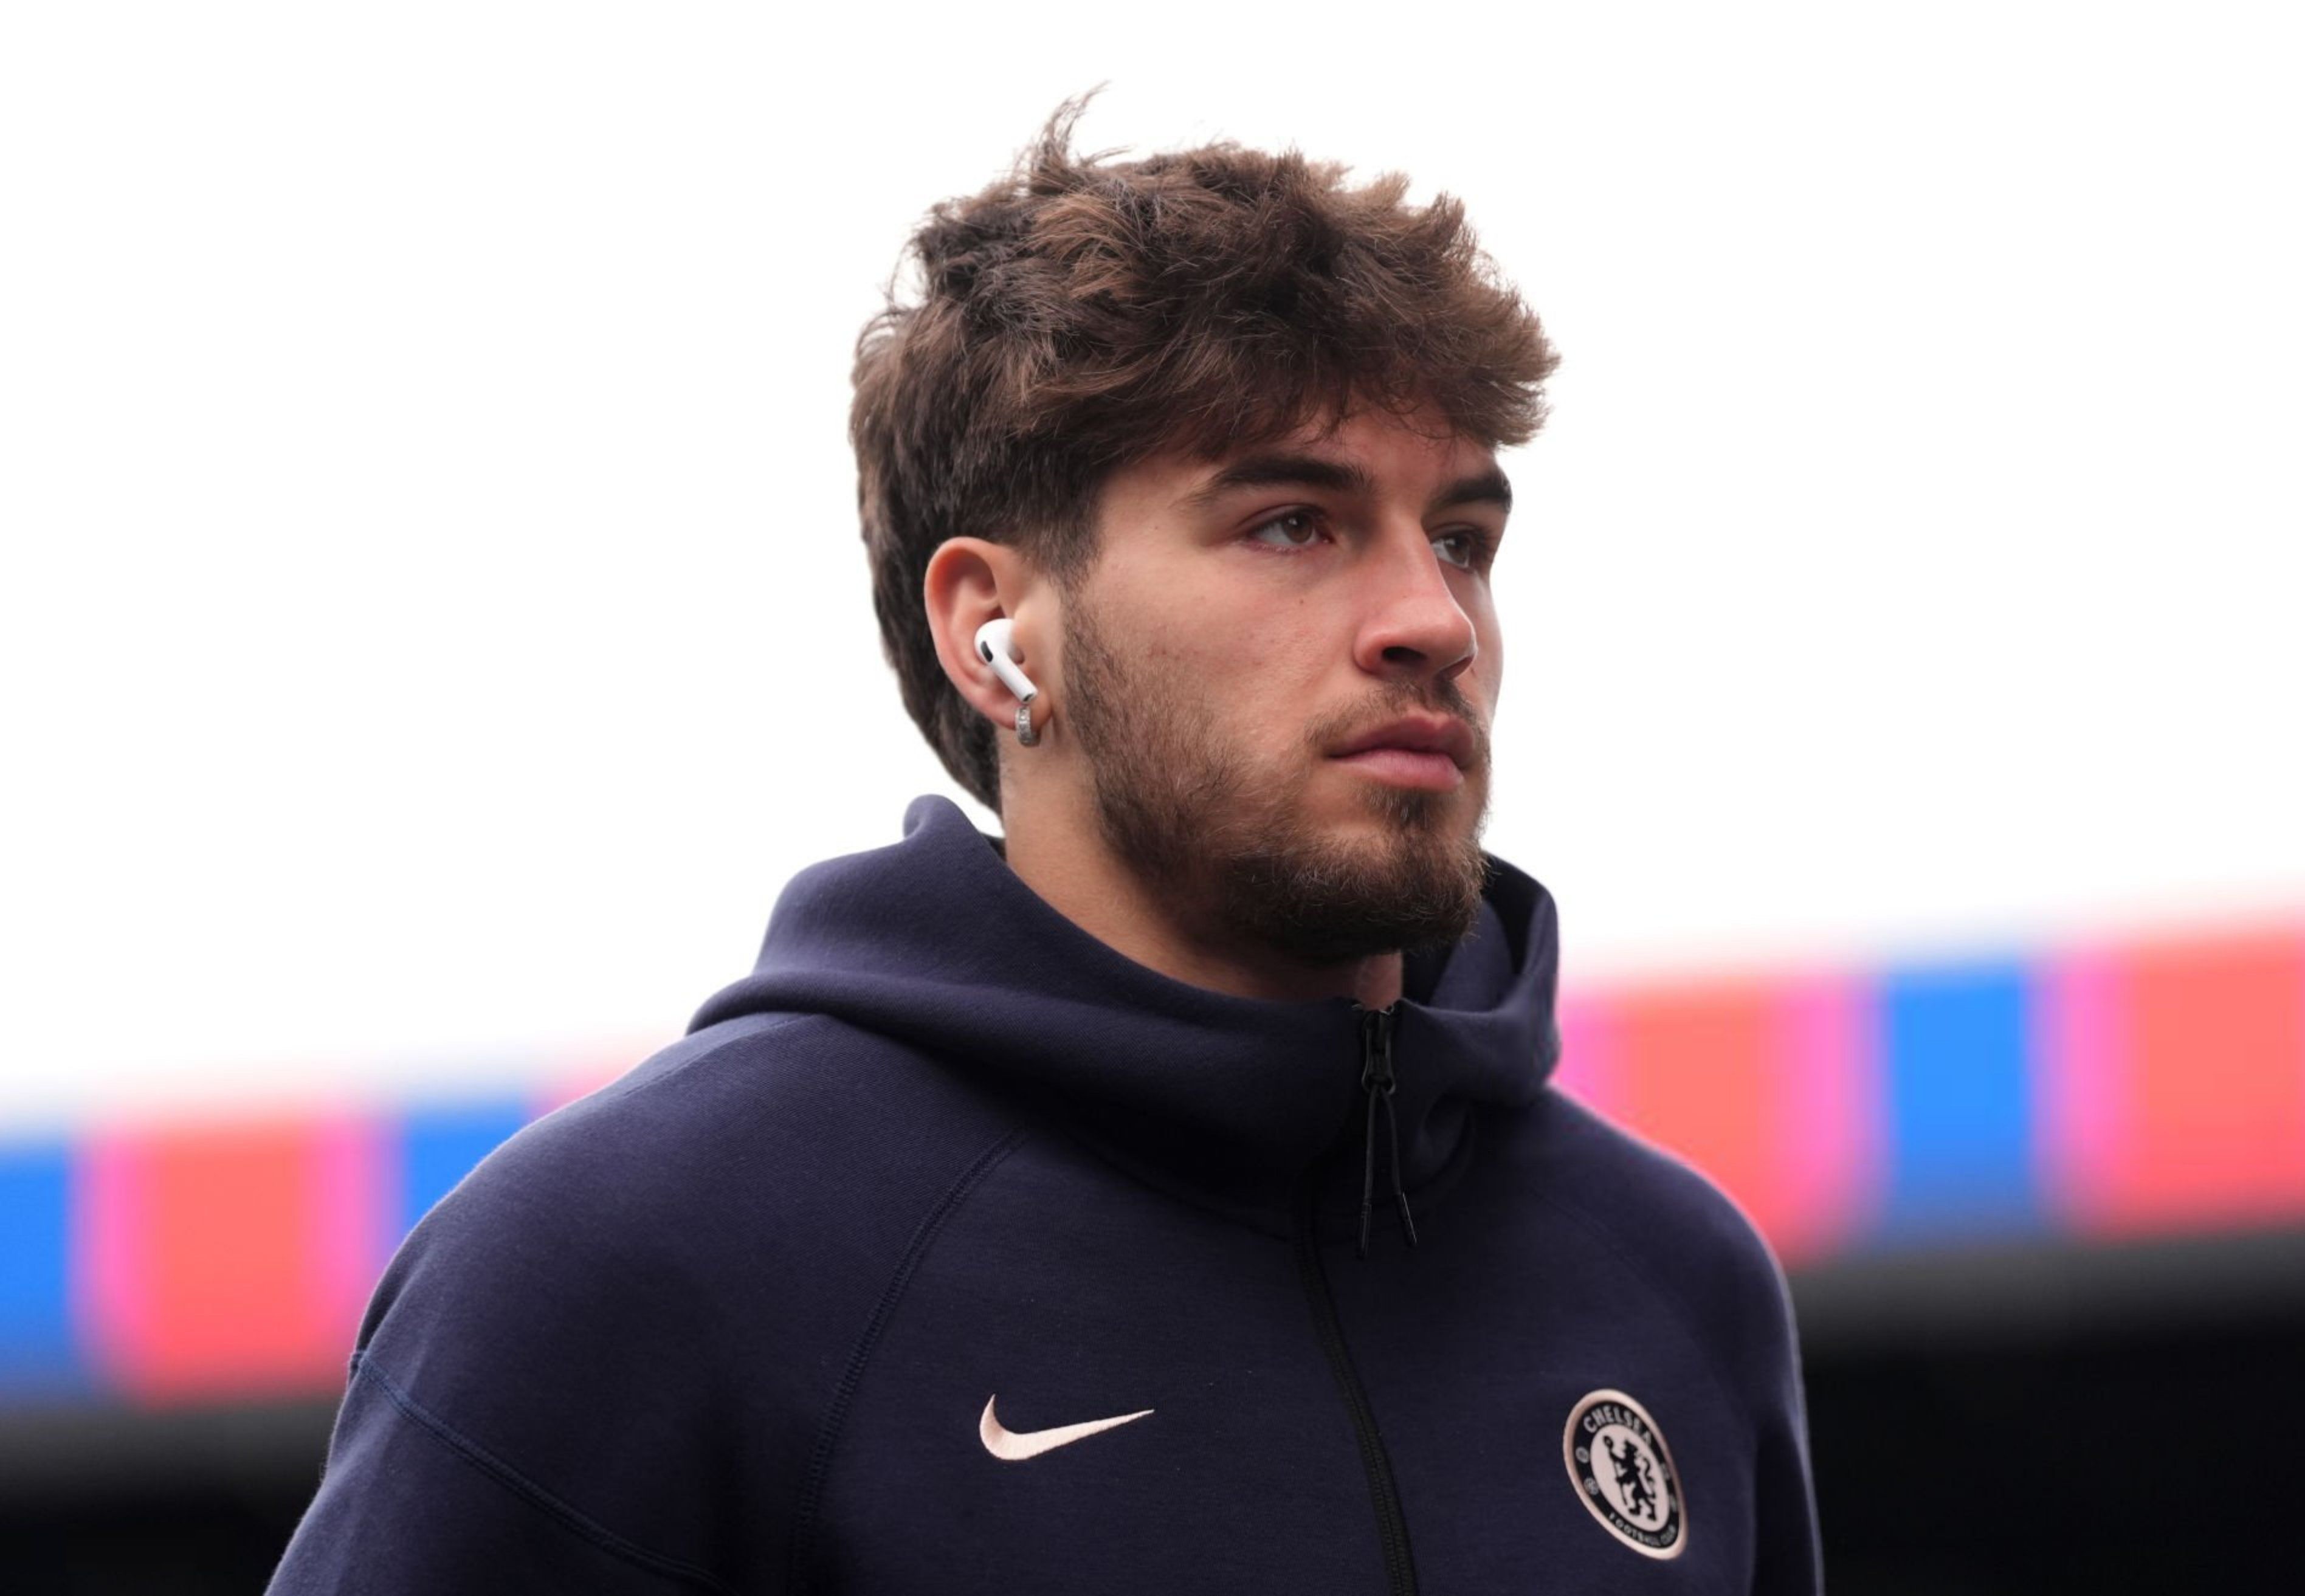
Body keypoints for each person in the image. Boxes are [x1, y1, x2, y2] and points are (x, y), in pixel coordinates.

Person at [269, 89, 1822, 1595]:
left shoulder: (1672, 1282)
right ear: (993, 632)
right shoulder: (632, 1261)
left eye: (1462, 540)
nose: (1430, 619)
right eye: (1293, 522)